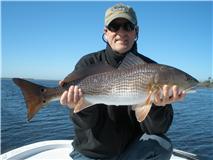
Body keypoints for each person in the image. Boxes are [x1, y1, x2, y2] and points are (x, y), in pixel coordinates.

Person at [60, 3, 185, 160]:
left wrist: (157, 107)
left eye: (127, 26)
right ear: (106, 32)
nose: (121, 32)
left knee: (162, 144)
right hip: (91, 154)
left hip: (129, 153)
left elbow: (157, 129)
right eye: (114, 26)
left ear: (136, 31)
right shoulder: (88, 63)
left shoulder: (154, 70)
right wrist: (78, 107)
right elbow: (85, 125)